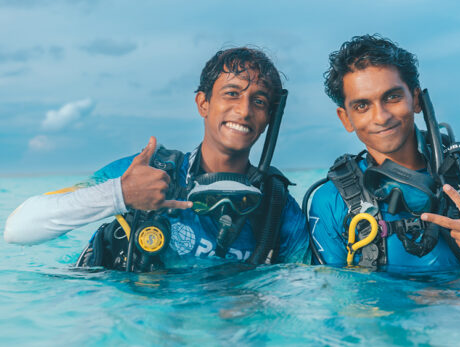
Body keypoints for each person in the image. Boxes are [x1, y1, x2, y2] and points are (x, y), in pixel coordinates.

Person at [4, 47, 310, 271]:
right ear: (203, 103)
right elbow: (18, 230)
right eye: (231, 94)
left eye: (258, 101)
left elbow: (305, 287)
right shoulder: (147, 172)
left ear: (270, 116)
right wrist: (120, 195)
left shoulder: (275, 205)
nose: (243, 111)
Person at [306, 34, 460, 271]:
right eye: (362, 106)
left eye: (392, 97)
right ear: (346, 118)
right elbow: (334, 296)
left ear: (416, 99)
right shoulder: (331, 201)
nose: (381, 117)